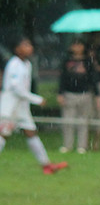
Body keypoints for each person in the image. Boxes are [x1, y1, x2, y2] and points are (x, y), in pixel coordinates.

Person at [0, 35, 68, 174]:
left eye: (29, 45)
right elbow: (16, 89)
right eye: (25, 45)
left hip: (21, 107)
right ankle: (46, 165)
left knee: (31, 133)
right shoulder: (14, 64)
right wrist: (36, 99)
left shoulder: (27, 64)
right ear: (17, 49)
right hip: (10, 107)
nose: (29, 48)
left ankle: (46, 165)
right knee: (3, 134)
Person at [57, 39, 95, 154]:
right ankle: (67, 145)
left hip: (85, 93)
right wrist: (60, 93)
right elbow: (62, 78)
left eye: (79, 45)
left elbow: (93, 78)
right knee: (68, 120)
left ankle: (82, 146)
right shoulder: (66, 60)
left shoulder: (88, 61)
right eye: (75, 44)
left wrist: (96, 95)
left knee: (83, 121)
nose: (77, 47)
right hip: (69, 93)